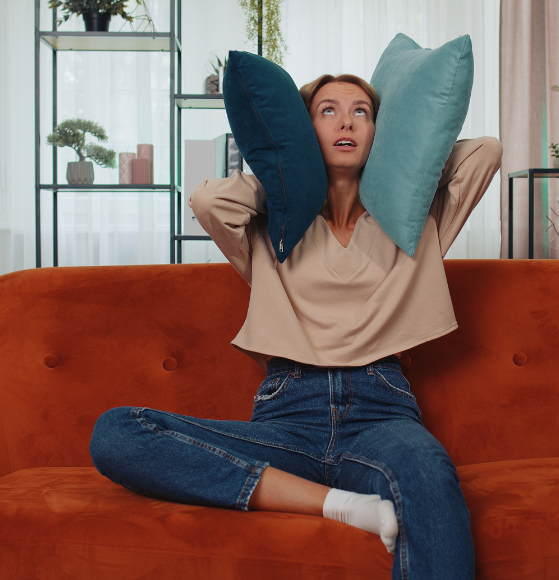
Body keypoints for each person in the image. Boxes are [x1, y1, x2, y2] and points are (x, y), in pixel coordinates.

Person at [89, 73, 503, 580]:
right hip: (289, 416)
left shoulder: (416, 224)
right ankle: (338, 504)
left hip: (382, 413)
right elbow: (207, 202)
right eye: (327, 111)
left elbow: (485, 152)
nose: (347, 121)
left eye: (362, 112)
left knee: (430, 475)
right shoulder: (268, 229)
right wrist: (285, 173)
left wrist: (402, 159)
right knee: (116, 432)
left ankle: (340, 498)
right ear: (304, 131)